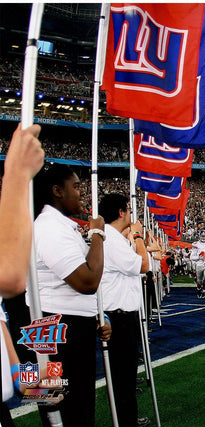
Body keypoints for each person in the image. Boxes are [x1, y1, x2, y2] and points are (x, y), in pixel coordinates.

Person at [32, 163, 111, 427]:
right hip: (56, 329)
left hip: (62, 326)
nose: (81, 193)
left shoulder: (58, 225)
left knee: (73, 409)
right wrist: (98, 233)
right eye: (76, 186)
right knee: (65, 413)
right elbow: (87, 282)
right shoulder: (48, 228)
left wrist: (97, 316)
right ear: (57, 191)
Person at [0, 124, 44, 426]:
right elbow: (10, 280)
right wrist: (16, 175)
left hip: (31, 322)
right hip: (32, 316)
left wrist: (16, 372)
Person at [98, 193, 150, 427]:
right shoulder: (111, 239)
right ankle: (126, 421)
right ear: (120, 212)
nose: (130, 214)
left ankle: (127, 418)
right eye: (128, 209)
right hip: (119, 318)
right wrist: (137, 234)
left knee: (126, 376)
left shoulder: (114, 238)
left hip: (123, 315)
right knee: (123, 377)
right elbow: (144, 265)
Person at [191, 230, 205, 298]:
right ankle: (199, 289)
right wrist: (199, 257)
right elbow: (192, 257)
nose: (204, 238)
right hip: (199, 264)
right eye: (203, 236)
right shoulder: (196, 244)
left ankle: (204, 291)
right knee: (200, 280)